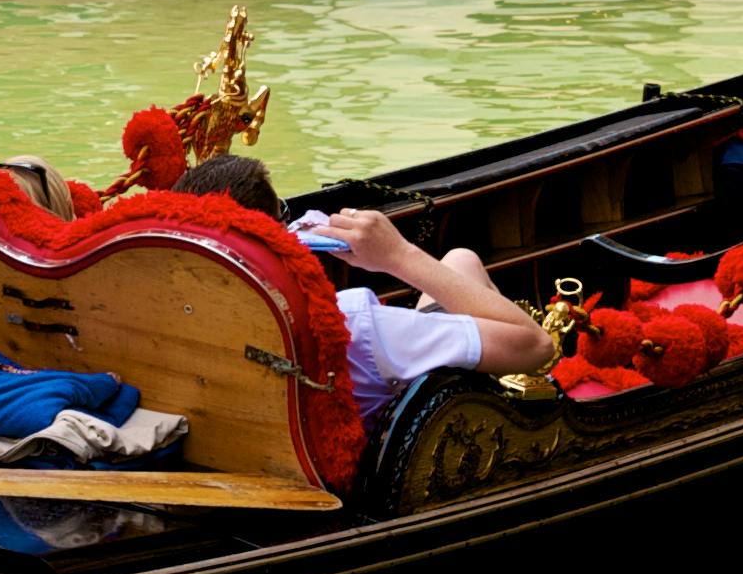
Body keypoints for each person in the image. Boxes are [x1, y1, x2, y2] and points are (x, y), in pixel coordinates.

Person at [166, 152, 558, 403]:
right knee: (464, 263)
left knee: (460, 261)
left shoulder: (171, 319)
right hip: (370, 460)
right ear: (275, 240)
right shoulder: (357, 326)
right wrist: (398, 255)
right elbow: (536, 346)